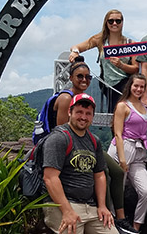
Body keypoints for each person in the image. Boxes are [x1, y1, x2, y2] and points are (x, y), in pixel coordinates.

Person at [51, 59, 131, 233]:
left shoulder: (92, 135)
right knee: (109, 172)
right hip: (68, 150)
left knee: (111, 172)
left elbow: (99, 174)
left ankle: (114, 214)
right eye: (80, 76)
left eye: (88, 77)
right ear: (71, 77)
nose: (85, 80)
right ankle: (116, 214)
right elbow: (61, 130)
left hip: (85, 145)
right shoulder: (66, 98)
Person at [42, 93, 117, 234]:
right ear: (69, 112)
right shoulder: (59, 138)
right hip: (62, 204)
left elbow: (100, 174)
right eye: (79, 112)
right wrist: (67, 211)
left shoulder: (94, 141)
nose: (83, 117)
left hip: (90, 206)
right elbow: (50, 178)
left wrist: (102, 205)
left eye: (88, 113)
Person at [107, 74, 147, 233]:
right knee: (116, 188)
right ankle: (115, 223)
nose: (139, 89)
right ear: (130, 86)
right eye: (136, 86)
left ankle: (135, 227)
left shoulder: (142, 105)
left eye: (142, 86)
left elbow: (142, 122)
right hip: (124, 147)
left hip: (139, 151)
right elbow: (118, 133)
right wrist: (122, 158)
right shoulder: (123, 106)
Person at [68, 9, 138, 113]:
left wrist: (121, 65)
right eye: (111, 21)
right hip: (107, 84)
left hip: (125, 84)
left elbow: (135, 68)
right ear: (106, 22)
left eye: (118, 21)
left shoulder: (131, 44)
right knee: (113, 112)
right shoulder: (100, 40)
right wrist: (74, 51)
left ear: (122, 23)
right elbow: (78, 46)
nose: (114, 23)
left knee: (120, 112)